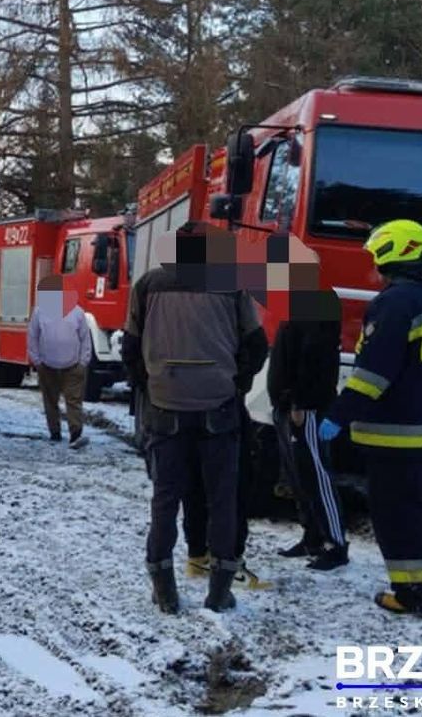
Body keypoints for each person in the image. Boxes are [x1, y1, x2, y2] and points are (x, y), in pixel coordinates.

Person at [123, 224, 268, 613]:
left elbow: (130, 347)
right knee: (223, 499)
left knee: (165, 500)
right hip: (217, 409)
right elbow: (257, 345)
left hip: (165, 407)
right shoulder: (231, 285)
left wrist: (148, 386)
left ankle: (164, 589)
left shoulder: (149, 285)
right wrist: (236, 382)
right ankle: (219, 590)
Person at [321, 219, 422, 618]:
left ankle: (415, 594)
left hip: (397, 436)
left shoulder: (393, 304)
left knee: (399, 515)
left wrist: (339, 415)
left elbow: (373, 374)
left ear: (390, 254)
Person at [265, 239, 349, 570]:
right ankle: (312, 536)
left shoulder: (320, 301)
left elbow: (315, 358)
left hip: (307, 407)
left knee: (316, 473)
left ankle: (335, 543)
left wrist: (300, 401)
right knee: (298, 474)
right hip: (289, 405)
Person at [28, 274, 93, 448]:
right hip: (47, 366)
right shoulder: (39, 312)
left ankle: (75, 433)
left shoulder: (78, 313)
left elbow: (86, 339)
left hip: (73, 367)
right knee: (50, 401)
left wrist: (82, 363)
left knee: (74, 401)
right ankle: (54, 432)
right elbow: (33, 337)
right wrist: (37, 362)